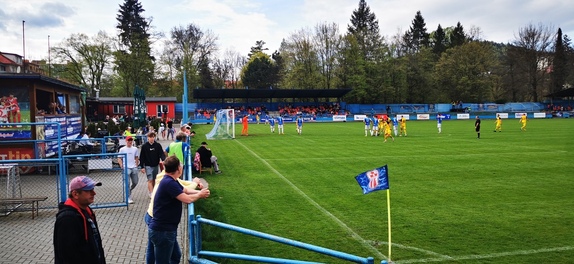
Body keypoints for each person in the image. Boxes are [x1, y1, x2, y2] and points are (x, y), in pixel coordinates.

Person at [148, 156, 210, 264]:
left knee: (176, 256)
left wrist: (200, 193)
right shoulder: (169, 183)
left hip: (165, 230)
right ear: (178, 169)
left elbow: (184, 190)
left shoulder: (171, 180)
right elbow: (187, 199)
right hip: (163, 232)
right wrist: (200, 194)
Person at [54, 176, 105, 264]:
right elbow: (67, 255)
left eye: (93, 189)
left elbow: (96, 243)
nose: (94, 193)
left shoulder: (87, 210)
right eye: (89, 190)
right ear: (75, 194)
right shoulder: (67, 219)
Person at [139, 132, 166, 198]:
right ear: (148, 138)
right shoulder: (145, 146)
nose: (152, 139)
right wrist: (142, 166)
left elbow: (161, 153)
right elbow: (142, 156)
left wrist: (163, 160)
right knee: (150, 179)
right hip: (148, 165)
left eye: (153, 137)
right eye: (150, 137)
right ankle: (152, 193)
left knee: (154, 179)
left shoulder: (157, 145)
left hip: (155, 165)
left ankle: (152, 190)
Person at [118, 136, 140, 204]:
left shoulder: (135, 149)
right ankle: (128, 197)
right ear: (126, 141)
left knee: (135, 182)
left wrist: (136, 164)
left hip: (133, 167)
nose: (130, 142)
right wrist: (121, 165)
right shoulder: (122, 149)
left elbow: (136, 157)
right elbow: (119, 158)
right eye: (128, 140)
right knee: (127, 183)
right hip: (126, 167)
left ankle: (130, 190)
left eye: (131, 140)